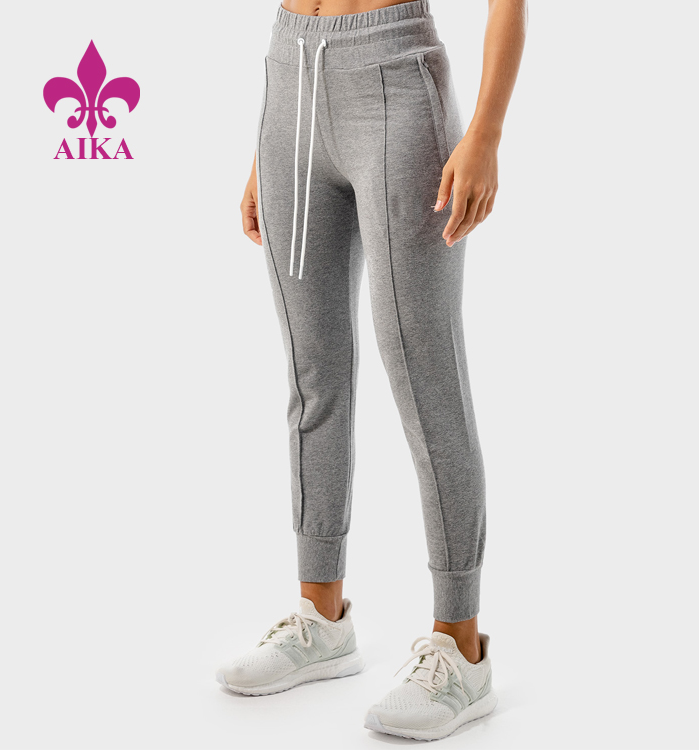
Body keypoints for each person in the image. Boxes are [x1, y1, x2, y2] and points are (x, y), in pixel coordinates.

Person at [217, 0, 527, 740]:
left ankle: (461, 648)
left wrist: (485, 132)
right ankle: (321, 618)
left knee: (425, 375)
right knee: (311, 375)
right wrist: (267, 147)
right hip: (289, 78)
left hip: (394, 81)